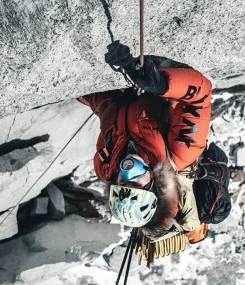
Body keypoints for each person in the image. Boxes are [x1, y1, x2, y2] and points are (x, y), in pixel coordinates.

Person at [77, 57, 212, 261]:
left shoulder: (107, 165)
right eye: (136, 184)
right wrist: (164, 84)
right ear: (156, 186)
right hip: (165, 79)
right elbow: (201, 95)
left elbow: (106, 110)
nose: (127, 173)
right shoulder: (182, 151)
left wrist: (81, 93)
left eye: (124, 183)